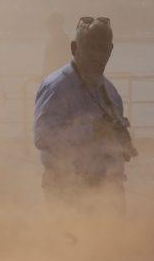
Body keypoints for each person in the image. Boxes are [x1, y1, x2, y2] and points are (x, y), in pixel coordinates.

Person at [33, 16, 137, 209]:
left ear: (111, 51)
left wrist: (122, 142)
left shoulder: (110, 92)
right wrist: (94, 131)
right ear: (74, 48)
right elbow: (43, 136)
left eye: (103, 48)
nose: (97, 55)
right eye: (90, 47)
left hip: (109, 191)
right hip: (67, 190)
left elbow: (113, 136)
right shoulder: (57, 87)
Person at [41, 12, 70, 77]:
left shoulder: (60, 38)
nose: (47, 27)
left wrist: (46, 73)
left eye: (48, 24)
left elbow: (58, 59)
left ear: (56, 25)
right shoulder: (55, 37)